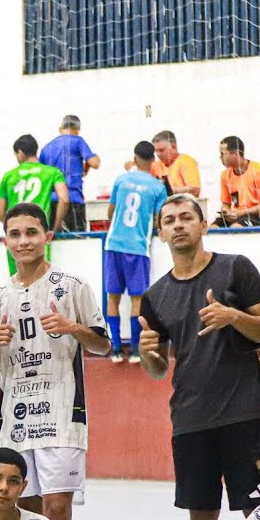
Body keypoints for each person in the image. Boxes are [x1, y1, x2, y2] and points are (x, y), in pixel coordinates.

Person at [137, 193, 260, 520]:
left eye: (186, 217)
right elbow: (157, 370)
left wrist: (233, 317)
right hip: (190, 421)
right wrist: (147, 352)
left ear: (204, 225)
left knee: (259, 516)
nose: (178, 224)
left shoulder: (236, 268)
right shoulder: (154, 296)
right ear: (161, 233)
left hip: (245, 415)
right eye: (169, 221)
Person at [0, 202, 109, 520]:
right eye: (15, 234)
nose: (24, 241)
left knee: (58, 508)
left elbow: (102, 344)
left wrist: (72, 328)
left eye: (31, 232)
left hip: (62, 415)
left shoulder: (72, 286)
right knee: (25, 511)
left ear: (47, 237)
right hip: (16, 420)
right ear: (5, 241)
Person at [104, 141, 169, 363]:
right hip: (138, 246)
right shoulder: (157, 187)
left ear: (134, 157)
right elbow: (160, 217)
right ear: (153, 160)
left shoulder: (121, 180)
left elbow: (111, 210)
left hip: (114, 244)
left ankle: (114, 348)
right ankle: (133, 349)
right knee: (137, 299)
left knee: (112, 296)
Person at [0, 134, 69, 275]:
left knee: (18, 283)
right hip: (37, 232)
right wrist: (56, 227)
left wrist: (12, 227)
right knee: (41, 281)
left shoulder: (9, 176)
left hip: (15, 236)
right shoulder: (52, 172)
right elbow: (64, 199)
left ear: (20, 153)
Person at [39, 116, 99, 232]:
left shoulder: (46, 148)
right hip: (73, 200)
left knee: (53, 241)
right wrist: (89, 161)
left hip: (51, 202)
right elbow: (95, 163)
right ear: (77, 130)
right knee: (75, 242)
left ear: (60, 128)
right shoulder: (78, 141)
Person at [215, 136, 260, 227]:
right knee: (213, 228)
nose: (220, 157)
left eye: (223, 154)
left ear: (236, 153)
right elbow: (226, 204)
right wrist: (226, 212)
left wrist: (241, 213)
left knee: (235, 227)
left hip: (259, 218)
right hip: (237, 217)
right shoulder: (225, 175)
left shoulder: (258, 171)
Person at [149, 130, 202, 196]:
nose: (158, 154)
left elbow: (195, 191)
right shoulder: (155, 165)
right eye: (156, 151)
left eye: (161, 150)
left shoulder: (186, 161)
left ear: (174, 147)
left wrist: (171, 191)